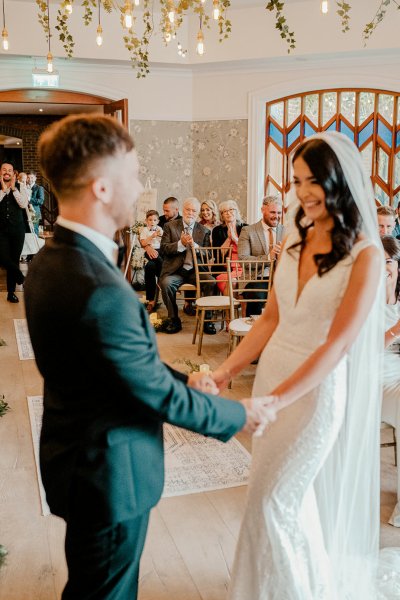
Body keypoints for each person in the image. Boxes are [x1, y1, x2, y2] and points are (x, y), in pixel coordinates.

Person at [23, 114, 271, 600]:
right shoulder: (97, 285)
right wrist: (238, 413)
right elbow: (146, 389)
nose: (139, 188)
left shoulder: (52, 260)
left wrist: (187, 378)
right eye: (133, 175)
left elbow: (122, 367)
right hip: (108, 473)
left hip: (78, 458)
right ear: (101, 187)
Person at [213, 131, 400, 599]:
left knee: (275, 501)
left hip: (314, 395)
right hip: (275, 375)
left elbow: (337, 346)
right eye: (296, 181)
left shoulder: (367, 255)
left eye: (313, 180)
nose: (302, 192)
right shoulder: (294, 238)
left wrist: (277, 402)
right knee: (275, 500)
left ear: (338, 180)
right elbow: (270, 320)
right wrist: (226, 373)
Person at [159, 197, 217, 334]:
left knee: (211, 282)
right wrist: (181, 244)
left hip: (195, 271)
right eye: (188, 209)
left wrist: (195, 246)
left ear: (197, 214)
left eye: (194, 210)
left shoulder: (203, 231)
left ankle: (207, 321)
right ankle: (174, 319)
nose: (190, 213)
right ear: (182, 210)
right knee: (166, 283)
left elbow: (208, 255)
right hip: (175, 271)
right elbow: (163, 249)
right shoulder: (170, 226)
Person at [238, 194, 284, 314]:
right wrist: (269, 257)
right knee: (256, 295)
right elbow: (243, 260)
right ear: (262, 210)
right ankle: (253, 330)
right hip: (256, 278)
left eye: (279, 213)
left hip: (282, 279)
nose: (276, 216)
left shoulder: (286, 231)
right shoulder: (248, 231)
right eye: (273, 212)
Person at [381, 235, 400, 527]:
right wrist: (395, 331)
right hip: (376, 366)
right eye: (379, 261)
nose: (385, 267)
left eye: (389, 261)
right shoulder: (362, 297)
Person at [0, 161, 30, 302]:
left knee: (14, 260)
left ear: (13, 173)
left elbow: (23, 204)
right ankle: (21, 278)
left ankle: (11, 293)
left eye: (9, 170)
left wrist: (13, 189)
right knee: (3, 258)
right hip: (1, 230)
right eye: (4, 170)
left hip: (17, 230)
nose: (7, 172)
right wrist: (3, 190)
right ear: (0, 172)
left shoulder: (20, 186)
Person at [211, 199, 246, 294]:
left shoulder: (246, 228)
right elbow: (217, 254)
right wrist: (229, 239)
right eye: (224, 211)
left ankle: (230, 308)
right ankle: (230, 308)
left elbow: (248, 250)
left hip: (244, 267)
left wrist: (235, 239)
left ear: (236, 211)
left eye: (231, 209)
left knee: (236, 282)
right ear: (221, 215)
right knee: (232, 283)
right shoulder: (217, 230)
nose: (228, 213)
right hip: (224, 268)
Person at [139, 209, 163, 313]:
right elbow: (143, 243)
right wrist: (151, 236)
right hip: (149, 251)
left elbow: (164, 240)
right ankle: (163, 275)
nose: (152, 222)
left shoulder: (159, 229)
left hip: (160, 250)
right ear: (146, 221)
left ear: (157, 221)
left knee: (150, 266)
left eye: (154, 220)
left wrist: (160, 234)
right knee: (157, 258)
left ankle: (151, 300)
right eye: (150, 220)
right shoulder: (144, 230)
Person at [26, 171, 45, 236]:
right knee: (27, 231)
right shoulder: (24, 187)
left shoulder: (39, 188)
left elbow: (41, 201)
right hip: (25, 212)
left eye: (32, 177)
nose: (30, 179)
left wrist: (29, 199)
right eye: (28, 177)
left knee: (34, 229)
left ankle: (36, 246)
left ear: (35, 178)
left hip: (35, 213)